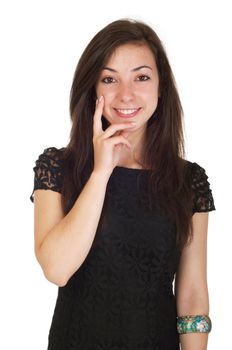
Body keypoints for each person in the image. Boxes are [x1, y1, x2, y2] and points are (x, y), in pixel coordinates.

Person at [30, 18, 216, 350]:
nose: (125, 94)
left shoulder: (189, 181)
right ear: (93, 88)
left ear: (161, 86)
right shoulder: (57, 166)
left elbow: (192, 295)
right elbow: (57, 269)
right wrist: (101, 172)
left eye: (141, 77)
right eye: (109, 79)